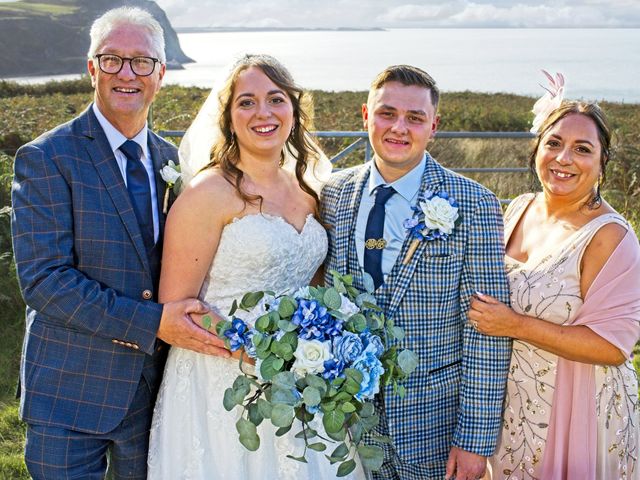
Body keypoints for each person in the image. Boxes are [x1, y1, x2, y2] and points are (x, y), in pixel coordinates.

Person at [11, 7, 227, 479]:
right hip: (69, 393)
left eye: (142, 62)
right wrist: (154, 323)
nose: (127, 73)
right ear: (92, 69)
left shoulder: (173, 163)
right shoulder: (47, 158)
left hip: (152, 397)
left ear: (161, 74)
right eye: (112, 60)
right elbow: (45, 282)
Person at [146, 54, 363, 480]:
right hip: (223, 381)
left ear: (294, 110)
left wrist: (320, 352)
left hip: (302, 380)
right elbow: (179, 308)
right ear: (228, 118)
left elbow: (315, 289)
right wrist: (263, 358)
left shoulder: (307, 189)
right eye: (246, 102)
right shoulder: (208, 193)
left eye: (275, 99)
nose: (262, 113)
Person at [321, 64, 512, 480]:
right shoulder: (333, 193)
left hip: (433, 430)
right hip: (347, 425)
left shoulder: (474, 203)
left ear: (434, 126)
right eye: (387, 113)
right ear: (365, 115)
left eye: (415, 118)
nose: (399, 128)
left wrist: (474, 440)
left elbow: (486, 329)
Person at [470, 98, 640, 479]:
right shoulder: (519, 208)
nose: (564, 158)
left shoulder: (610, 236)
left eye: (582, 149)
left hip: (577, 405)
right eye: (554, 143)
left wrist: (515, 325)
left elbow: (613, 347)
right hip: (515, 403)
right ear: (537, 148)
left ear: (601, 163)